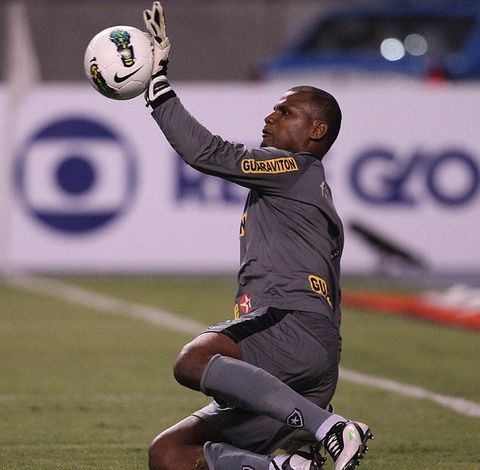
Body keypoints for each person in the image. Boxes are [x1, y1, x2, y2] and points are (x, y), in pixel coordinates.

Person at [142, 3, 372, 470]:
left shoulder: (293, 169)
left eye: (285, 111)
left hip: (288, 326)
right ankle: (287, 465)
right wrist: (318, 390)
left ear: (316, 130)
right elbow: (333, 288)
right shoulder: (305, 192)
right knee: (169, 455)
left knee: (193, 360)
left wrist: (157, 88)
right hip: (306, 353)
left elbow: (207, 152)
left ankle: (332, 429)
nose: (270, 117)